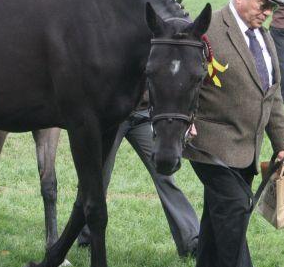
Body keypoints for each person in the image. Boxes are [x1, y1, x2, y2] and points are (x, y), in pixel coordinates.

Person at [185, 0, 284, 267]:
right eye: (261, 5)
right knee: (233, 208)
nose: (265, 14)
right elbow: (181, 80)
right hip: (209, 143)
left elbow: (271, 94)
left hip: (247, 147)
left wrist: (283, 141)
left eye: (271, 9)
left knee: (219, 210)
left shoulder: (263, 37)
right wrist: (186, 120)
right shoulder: (208, 30)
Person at [77, 93, 200, 257]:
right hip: (113, 115)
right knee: (98, 177)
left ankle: (191, 242)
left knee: (165, 175)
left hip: (145, 115)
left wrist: (189, 120)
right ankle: (87, 236)